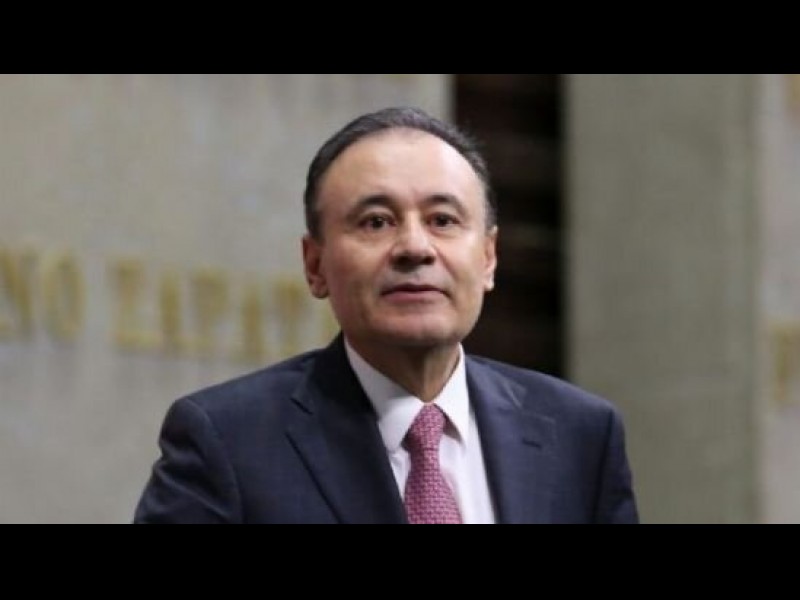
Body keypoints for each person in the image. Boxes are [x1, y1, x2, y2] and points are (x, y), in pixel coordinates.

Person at [134, 106, 638, 524]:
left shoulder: (580, 435)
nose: (415, 247)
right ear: (315, 265)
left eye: (443, 220)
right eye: (376, 222)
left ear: (488, 258)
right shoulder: (228, 441)